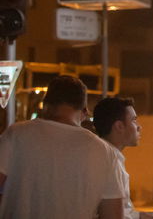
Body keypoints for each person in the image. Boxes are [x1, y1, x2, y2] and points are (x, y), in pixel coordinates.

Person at [0, 73, 125, 219]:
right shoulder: (104, 151)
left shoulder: (16, 134)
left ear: (45, 104)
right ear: (84, 111)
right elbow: (113, 214)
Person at [92, 95, 153, 219]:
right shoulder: (109, 161)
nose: (139, 127)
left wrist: (140, 215)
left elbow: (122, 209)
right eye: (134, 120)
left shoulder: (106, 156)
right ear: (119, 126)